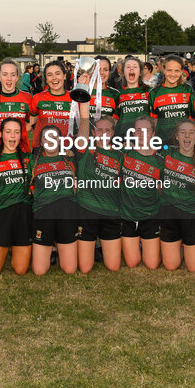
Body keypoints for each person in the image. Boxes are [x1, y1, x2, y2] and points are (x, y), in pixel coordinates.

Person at [73, 108, 124, 273]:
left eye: (107, 130)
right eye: (99, 130)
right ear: (93, 132)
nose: (103, 134)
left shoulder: (119, 155)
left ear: (113, 133)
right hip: (87, 210)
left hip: (110, 211)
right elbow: (83, 129)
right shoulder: (85, 149)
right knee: (85, 268)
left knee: (113, 266)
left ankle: (99, 247)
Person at [0, 118, 34, 276]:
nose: (12, 136)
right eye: (8, 132)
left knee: (20, 269)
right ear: (1, 134)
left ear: (21, 135)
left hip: (23, 215)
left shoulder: (29, 159)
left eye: (17, 132)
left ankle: (14, 245)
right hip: (1, 215)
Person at [30, 124, 80, 275]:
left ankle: (59, 248)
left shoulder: (70, 158)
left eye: (54, 137)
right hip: (44, 214)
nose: (50, 141)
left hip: (66, 214)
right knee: (39, 271)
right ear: (41, 141)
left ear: (60, 140)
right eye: (46, 138)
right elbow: (29, 189)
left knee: (70, 269)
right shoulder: (33, 161)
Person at [159, 120, 195, 272]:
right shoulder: (166, 154)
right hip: (169, 213)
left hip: (192, 215)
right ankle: (183, 247)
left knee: (194, 267)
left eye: (191, 133)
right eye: (183, 132)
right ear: (176, 136)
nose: (187, 136)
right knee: (171, 266)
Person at [120, 117, 164, 269]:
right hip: (127, 216)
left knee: (152, 264)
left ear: (153, 133)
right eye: (138, 130)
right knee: (132, 263)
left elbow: (163, 189)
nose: (142, 134)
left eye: (146, 130)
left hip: (150, 216)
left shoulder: (160, 161)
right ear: (133, 133)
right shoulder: (123, 153)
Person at [0, 59, 32, 155]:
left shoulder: (27, 97)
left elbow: (30, 124)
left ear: (17, 77)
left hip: (21, 152)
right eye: (5, 74)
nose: (9, 78)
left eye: (13, 75)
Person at [28, 61, 73, 148]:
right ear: (46, 79)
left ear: (64, 76)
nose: (54, 78)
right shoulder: (38, 98)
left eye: (57, 74)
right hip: (43, 150)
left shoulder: (73, 99)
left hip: (67, 150)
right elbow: (31, 124)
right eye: (49, 75)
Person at [149, 55, 191, 144]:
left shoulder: (188, 90)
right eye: (169, 70)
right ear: (163, 70)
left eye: (177, 71)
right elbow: (153, 121)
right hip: (162, 142)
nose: (173, 74)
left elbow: (193, 119)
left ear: (181, 71)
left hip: (184, 142)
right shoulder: (154, 93)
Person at [114, 56, 151, 137]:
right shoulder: (117, 93)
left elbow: (154, 118)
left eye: (135, 67)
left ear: (140, 72)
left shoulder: (149, 91)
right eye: (128, 67)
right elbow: (115, 120)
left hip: (143, 137)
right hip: (123, 137)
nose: (131, 69)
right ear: (123, 73)